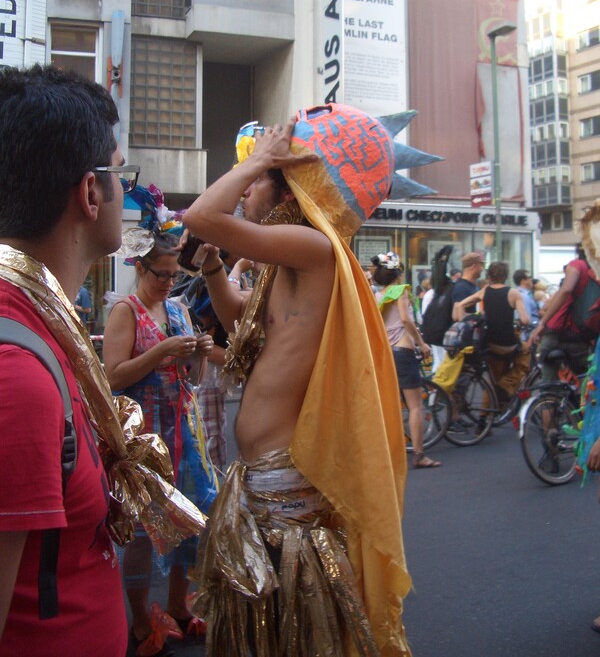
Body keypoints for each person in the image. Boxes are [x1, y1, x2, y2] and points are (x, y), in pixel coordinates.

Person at [183, 105, 439, 655]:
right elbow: (245, 329)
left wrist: (262, 161)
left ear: (287, 185)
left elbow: (202, 215)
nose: (247, 188)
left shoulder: (316, 250)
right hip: (259, 482)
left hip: (283, 492)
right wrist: (212, 268)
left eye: (258, 175)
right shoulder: (288, 263)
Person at [0, 65, 131, 656]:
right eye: (120, 171)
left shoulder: (46, 324)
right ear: (90, 192)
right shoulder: (17, 376)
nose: (125, 191)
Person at [103, 223, 216, 655]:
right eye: (161, 275)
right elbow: (113, 376)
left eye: (174, 276)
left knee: (187, 521)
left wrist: (200, 354)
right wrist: (160, 352)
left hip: (182, 432)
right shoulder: (124, 311)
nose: (168, 284)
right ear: (140, 268)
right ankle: (137, 620)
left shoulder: (178, 310)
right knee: (144, 530)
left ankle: (177, 609)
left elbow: (193, 379)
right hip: (144, 435)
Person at [372, 252, 441, 468]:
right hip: (403, 351)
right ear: (398, 273)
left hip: (386, 353)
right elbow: (405, 319)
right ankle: (419, 455)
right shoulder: (400, 291)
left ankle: (387, 453)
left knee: (389, 405)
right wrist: (421, 343)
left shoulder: (376, 296)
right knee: (415, 406)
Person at [456, 261, 530, 399]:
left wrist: (465, 321)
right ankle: (506, 385)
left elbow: (461, 304)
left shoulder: (485, 291)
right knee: (526, 354)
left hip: (490, 344)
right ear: (506, 275)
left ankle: (488, 414)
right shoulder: (513, 293)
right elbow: (525, 320)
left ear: (489, 275)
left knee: (493, 379)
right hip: (509, 344)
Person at [531, 245, 596, 381]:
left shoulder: (577, 265)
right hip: (579, 336)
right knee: (585, 383)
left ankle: (549, 401)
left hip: (553, 333)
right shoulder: (595, 272)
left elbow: (566, 290)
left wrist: (542, 323)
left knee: (548, 382)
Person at [452, 251, 485, 319]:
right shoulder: (461, 288)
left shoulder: (474, 286)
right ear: (474, 267)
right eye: (481, 265)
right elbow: (457, 316)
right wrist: (477, 316)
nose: (482, 269)